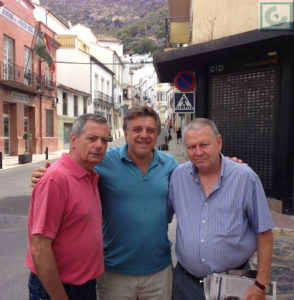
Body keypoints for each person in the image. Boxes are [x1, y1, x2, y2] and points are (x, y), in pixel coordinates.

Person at [31, 106, 179, 300]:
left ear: (157, 134)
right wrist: (46, 175)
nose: (144, 135)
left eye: (150, 130)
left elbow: (197, 177)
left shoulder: (170, 165)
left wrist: (228, 166)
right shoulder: (103, 160)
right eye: (137, 130)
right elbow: (72, 166)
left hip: (158, 271)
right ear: (126, 134)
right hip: (114, 273)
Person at [168, 118, 274, 300]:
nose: (198, 152)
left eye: (204, 145)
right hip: (185, 286)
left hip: (233, 286)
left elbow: (264, 232)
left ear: (219, 142)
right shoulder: (178, 177)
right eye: (192, 147)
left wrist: (260, 284)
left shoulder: (245, 178)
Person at [26, 114, 109, 300]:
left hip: (85, 284)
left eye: (105, 140)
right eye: (92, 138)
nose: (99, 145)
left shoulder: (91, 175)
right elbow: (40, 248)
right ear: (74, 140)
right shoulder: (56, 180)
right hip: (59, 288)